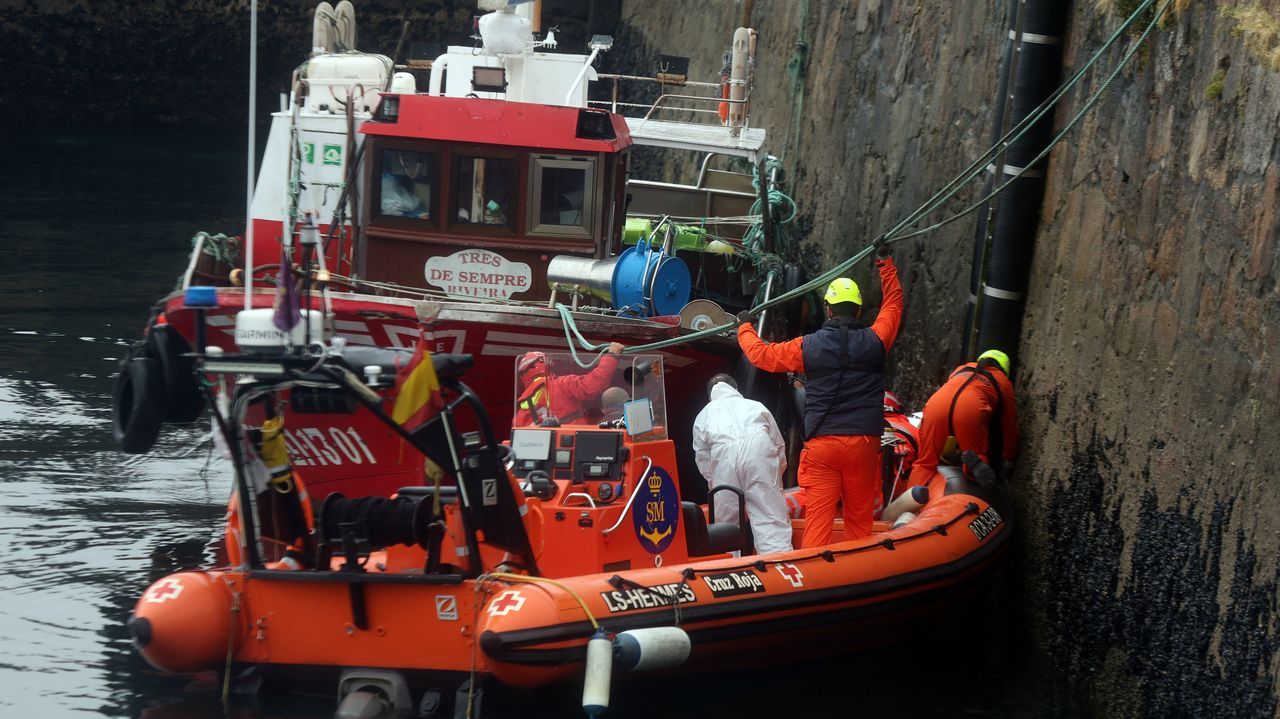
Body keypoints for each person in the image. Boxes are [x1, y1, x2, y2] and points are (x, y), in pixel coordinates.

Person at [736, 239, 903, 547]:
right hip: (863, 445)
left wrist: (745, 327)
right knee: (859, 525)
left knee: (818, 524)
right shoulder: (876, 340)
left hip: (824, 447)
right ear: (858, 310)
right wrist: (885, 263)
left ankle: (816, 580)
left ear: (827, 310)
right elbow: (893, 305)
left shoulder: (808, 346)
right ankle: (857, 578)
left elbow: (762, 355)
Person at [691, 374, 793, 554]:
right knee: (770, 515)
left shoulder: (704, 415)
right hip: (759, 451)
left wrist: (714, 481)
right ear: (736, 388)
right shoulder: (755, 406)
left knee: (726, 523)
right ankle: (780, 563)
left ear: (710, 395)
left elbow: (702, 457)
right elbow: (777, 444)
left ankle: (730, 569)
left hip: (722, 457)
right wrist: (774, 476)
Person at [906, 349, 1019, 489]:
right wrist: (1010, 457)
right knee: (976, 456)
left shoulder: (961, 369)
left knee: (924, 463)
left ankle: (910, 500)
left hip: (937, 403)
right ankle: (972, 471)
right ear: (1004, 368)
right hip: (970, 408)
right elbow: (1010, 423)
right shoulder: (1003, 381)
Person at [513, 343, 623, 426]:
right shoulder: (561, 384)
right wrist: (611, 356)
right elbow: (593, 385)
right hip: (574, 443)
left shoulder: (523, 407)